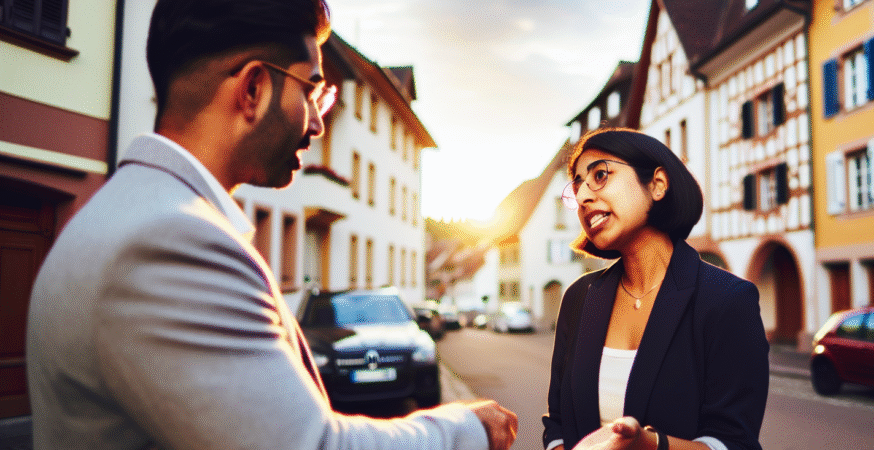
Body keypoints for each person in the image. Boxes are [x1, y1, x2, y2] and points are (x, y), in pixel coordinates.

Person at [24, 1, 517, 449]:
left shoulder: (141, 213)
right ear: (254, 88)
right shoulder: (170, 239)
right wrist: (465, 428)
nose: (318, 122)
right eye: (312, 91)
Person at [542, 128, 769, 450]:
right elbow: (558, 423)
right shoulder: (579, 297)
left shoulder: (728, 300)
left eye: (600, 175)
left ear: (658, 185)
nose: (581, 197)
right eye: (577, 184)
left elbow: (734, 443)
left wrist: (649, 445)